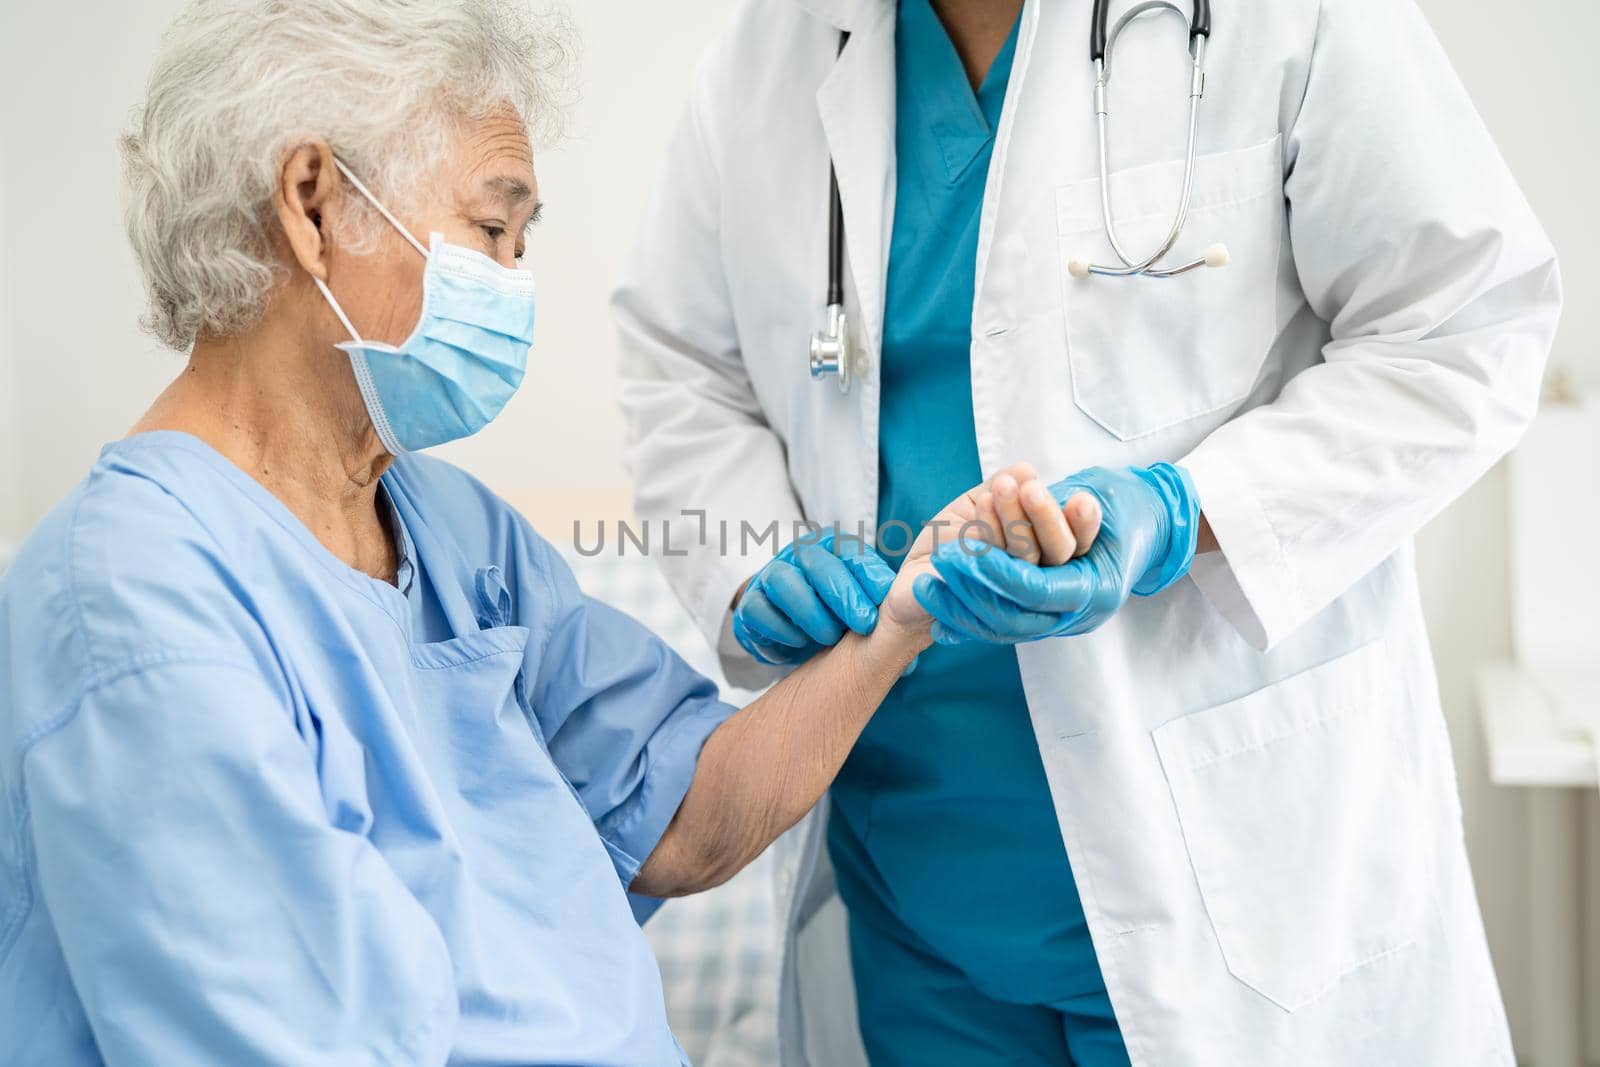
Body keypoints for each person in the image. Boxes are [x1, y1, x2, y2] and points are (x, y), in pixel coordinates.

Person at [0, 2, 1073, 1063]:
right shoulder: (132, 597)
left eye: (521, 240)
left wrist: (901, 616)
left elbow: (682, 812)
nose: (515, 281)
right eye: (489, 229)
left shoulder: (454, 533)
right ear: (314, 203)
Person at [613, 0, 1563, 1063]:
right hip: (917, 893)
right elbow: (680, 367)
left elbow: (1466, 324)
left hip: (1237, 895)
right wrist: (753, 558)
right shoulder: (770, 55)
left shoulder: (1291, 20)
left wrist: (1178, 509)